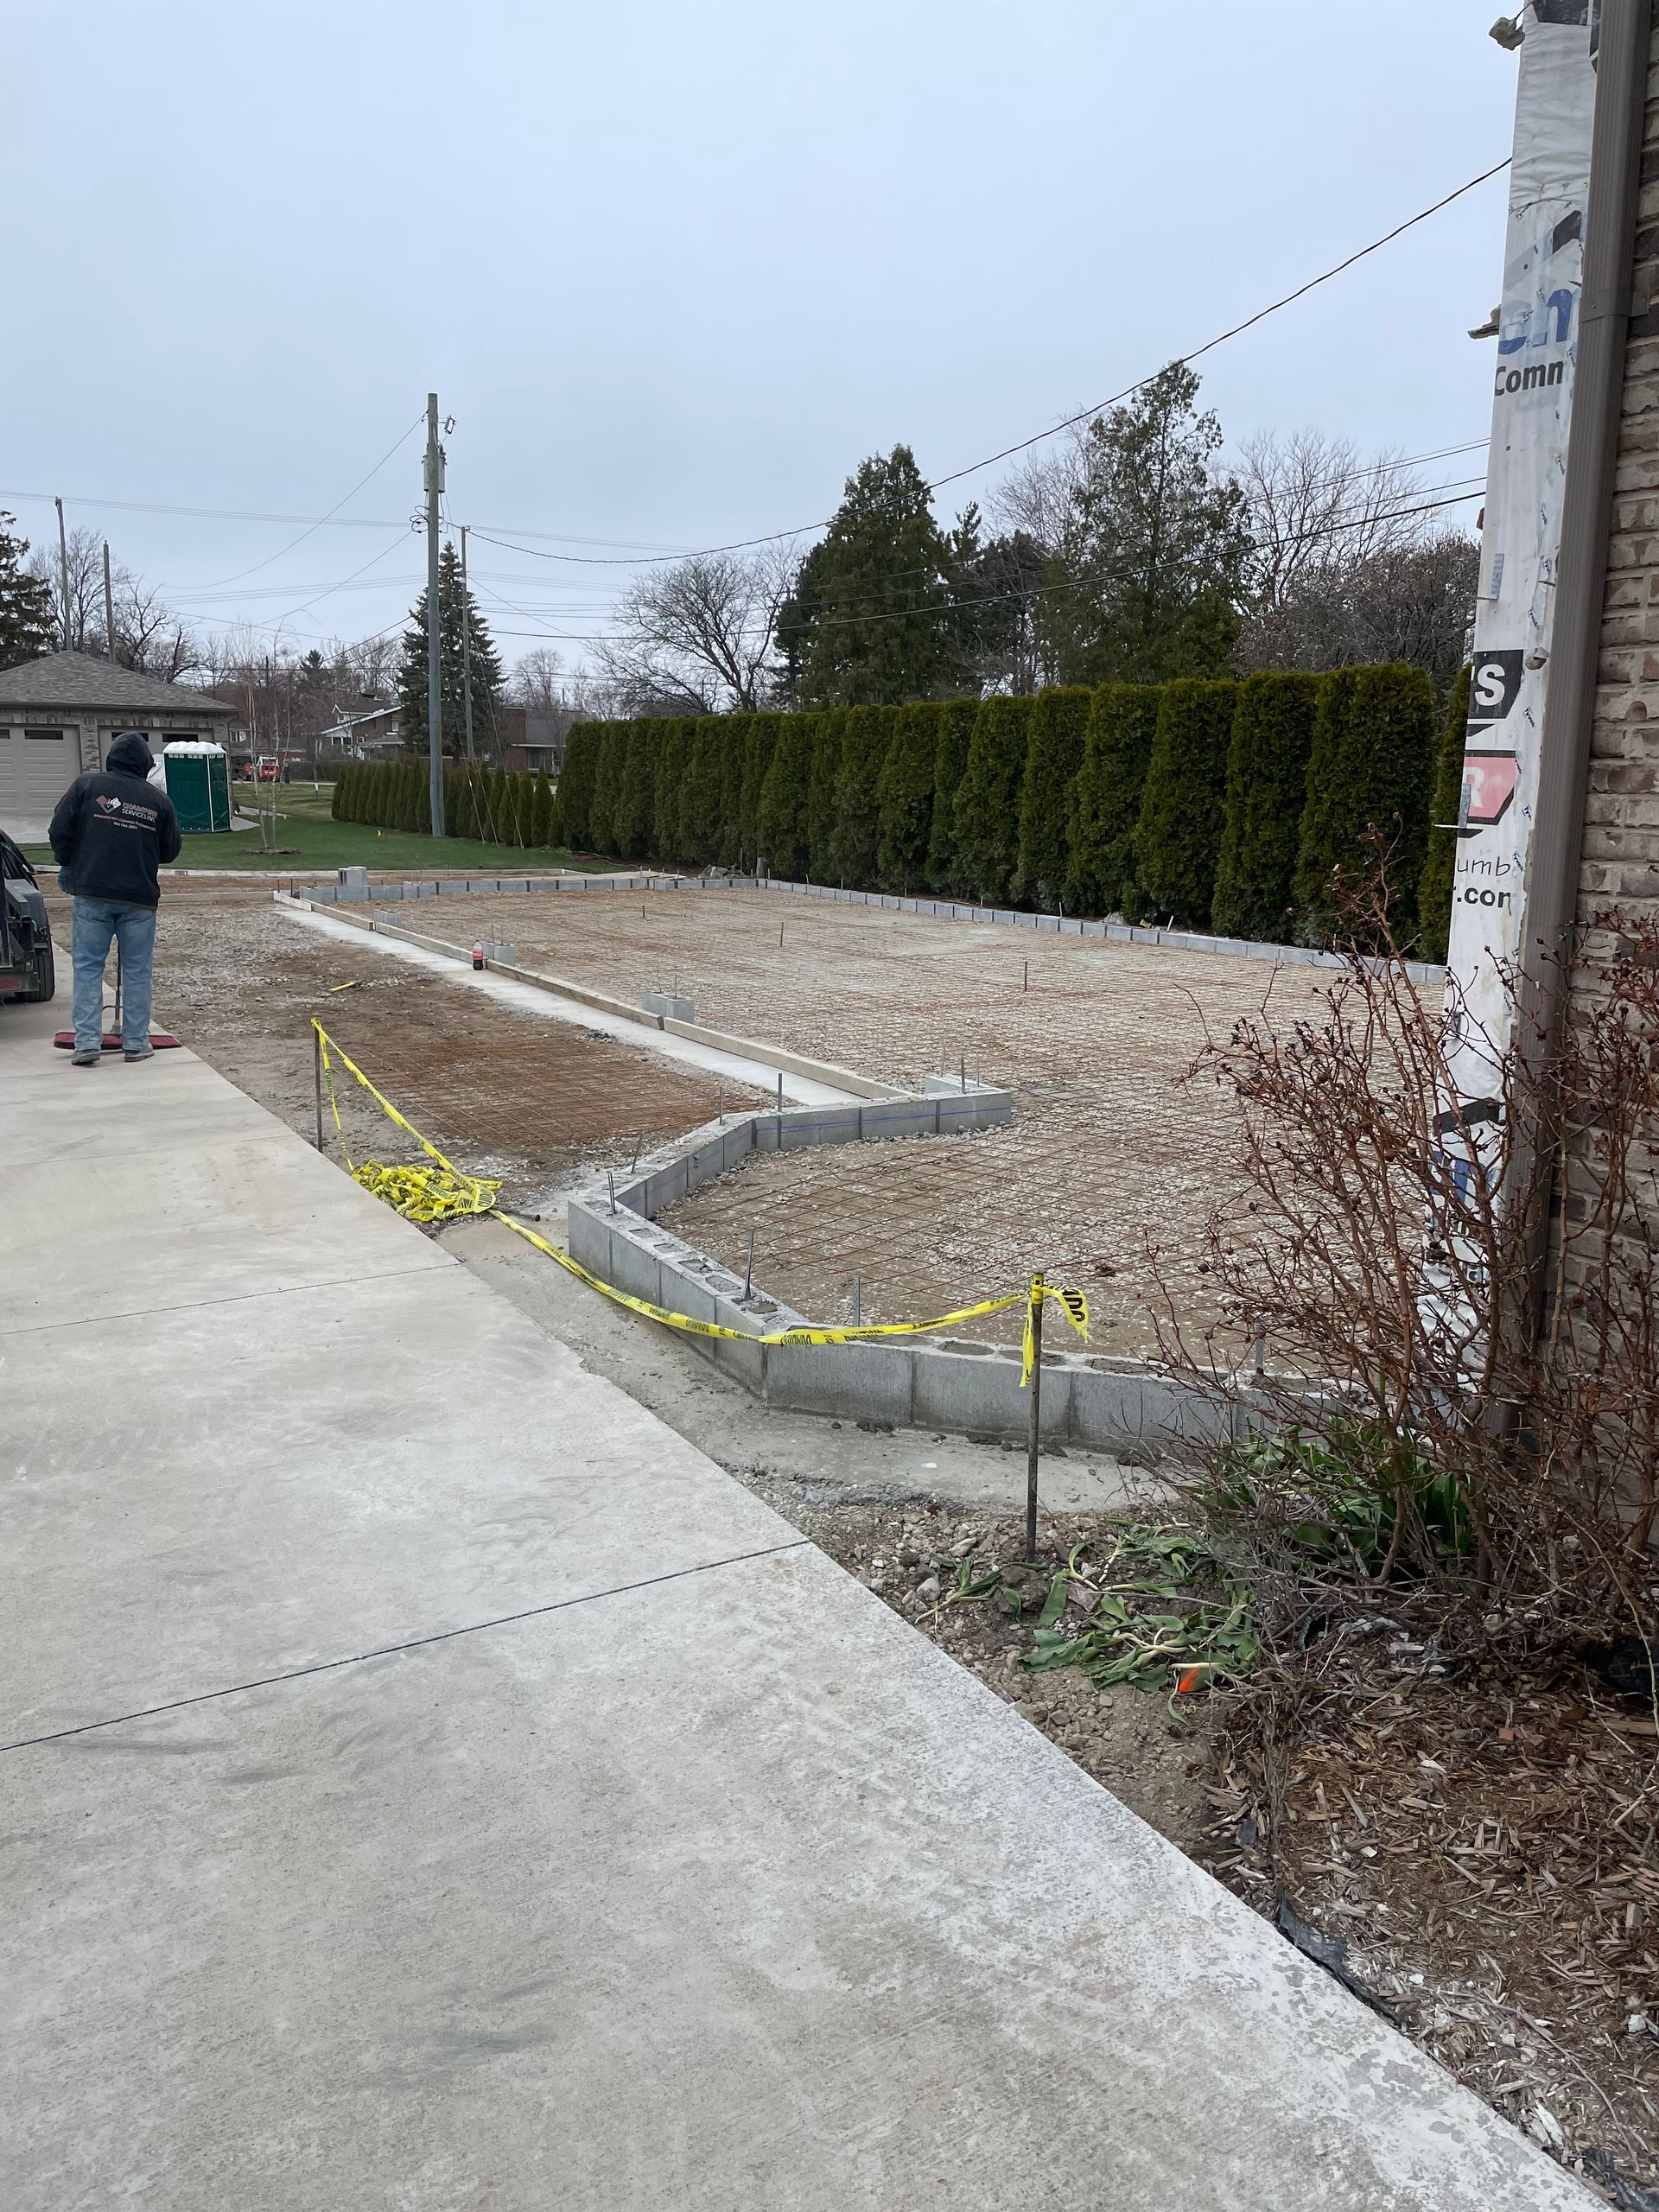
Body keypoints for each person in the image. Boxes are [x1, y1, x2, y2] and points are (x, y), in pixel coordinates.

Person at [48, 731, 181, 1068]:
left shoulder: (86, 786)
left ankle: (87, 1043)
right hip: (139, 899)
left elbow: (59, 829)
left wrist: (69, 864)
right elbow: (170, 850)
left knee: (88, 967)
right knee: (138, 971)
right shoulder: (158, 801)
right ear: (145, 766)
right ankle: (136, 1044)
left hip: (92, 893)